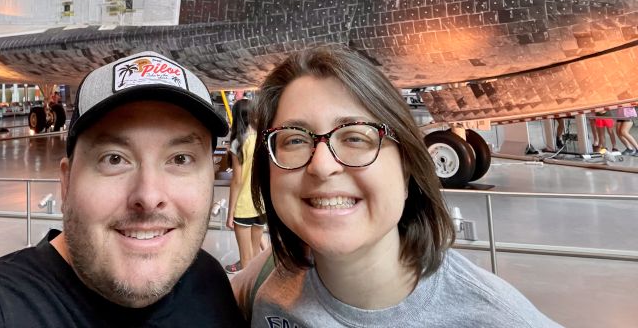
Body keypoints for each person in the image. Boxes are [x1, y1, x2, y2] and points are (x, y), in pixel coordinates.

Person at [0, 51, 247, 327]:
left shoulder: (206, 282)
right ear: (65, 181)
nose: (148, 195)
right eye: (114, 158)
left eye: (180, 159)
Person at [231, 45, 560, 327]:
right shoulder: (267, 279)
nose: (322, 165)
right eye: (295, 140)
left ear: (407, 168)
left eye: (356, 137)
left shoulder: (496, 318)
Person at [225, 98, 265, 274]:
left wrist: (230, 212)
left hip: (244, 206)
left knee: (246, 259)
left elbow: (237, 180)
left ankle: (247, 298)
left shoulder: (237, 143)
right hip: (260, 205)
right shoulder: (261, 139)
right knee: (255, 254)